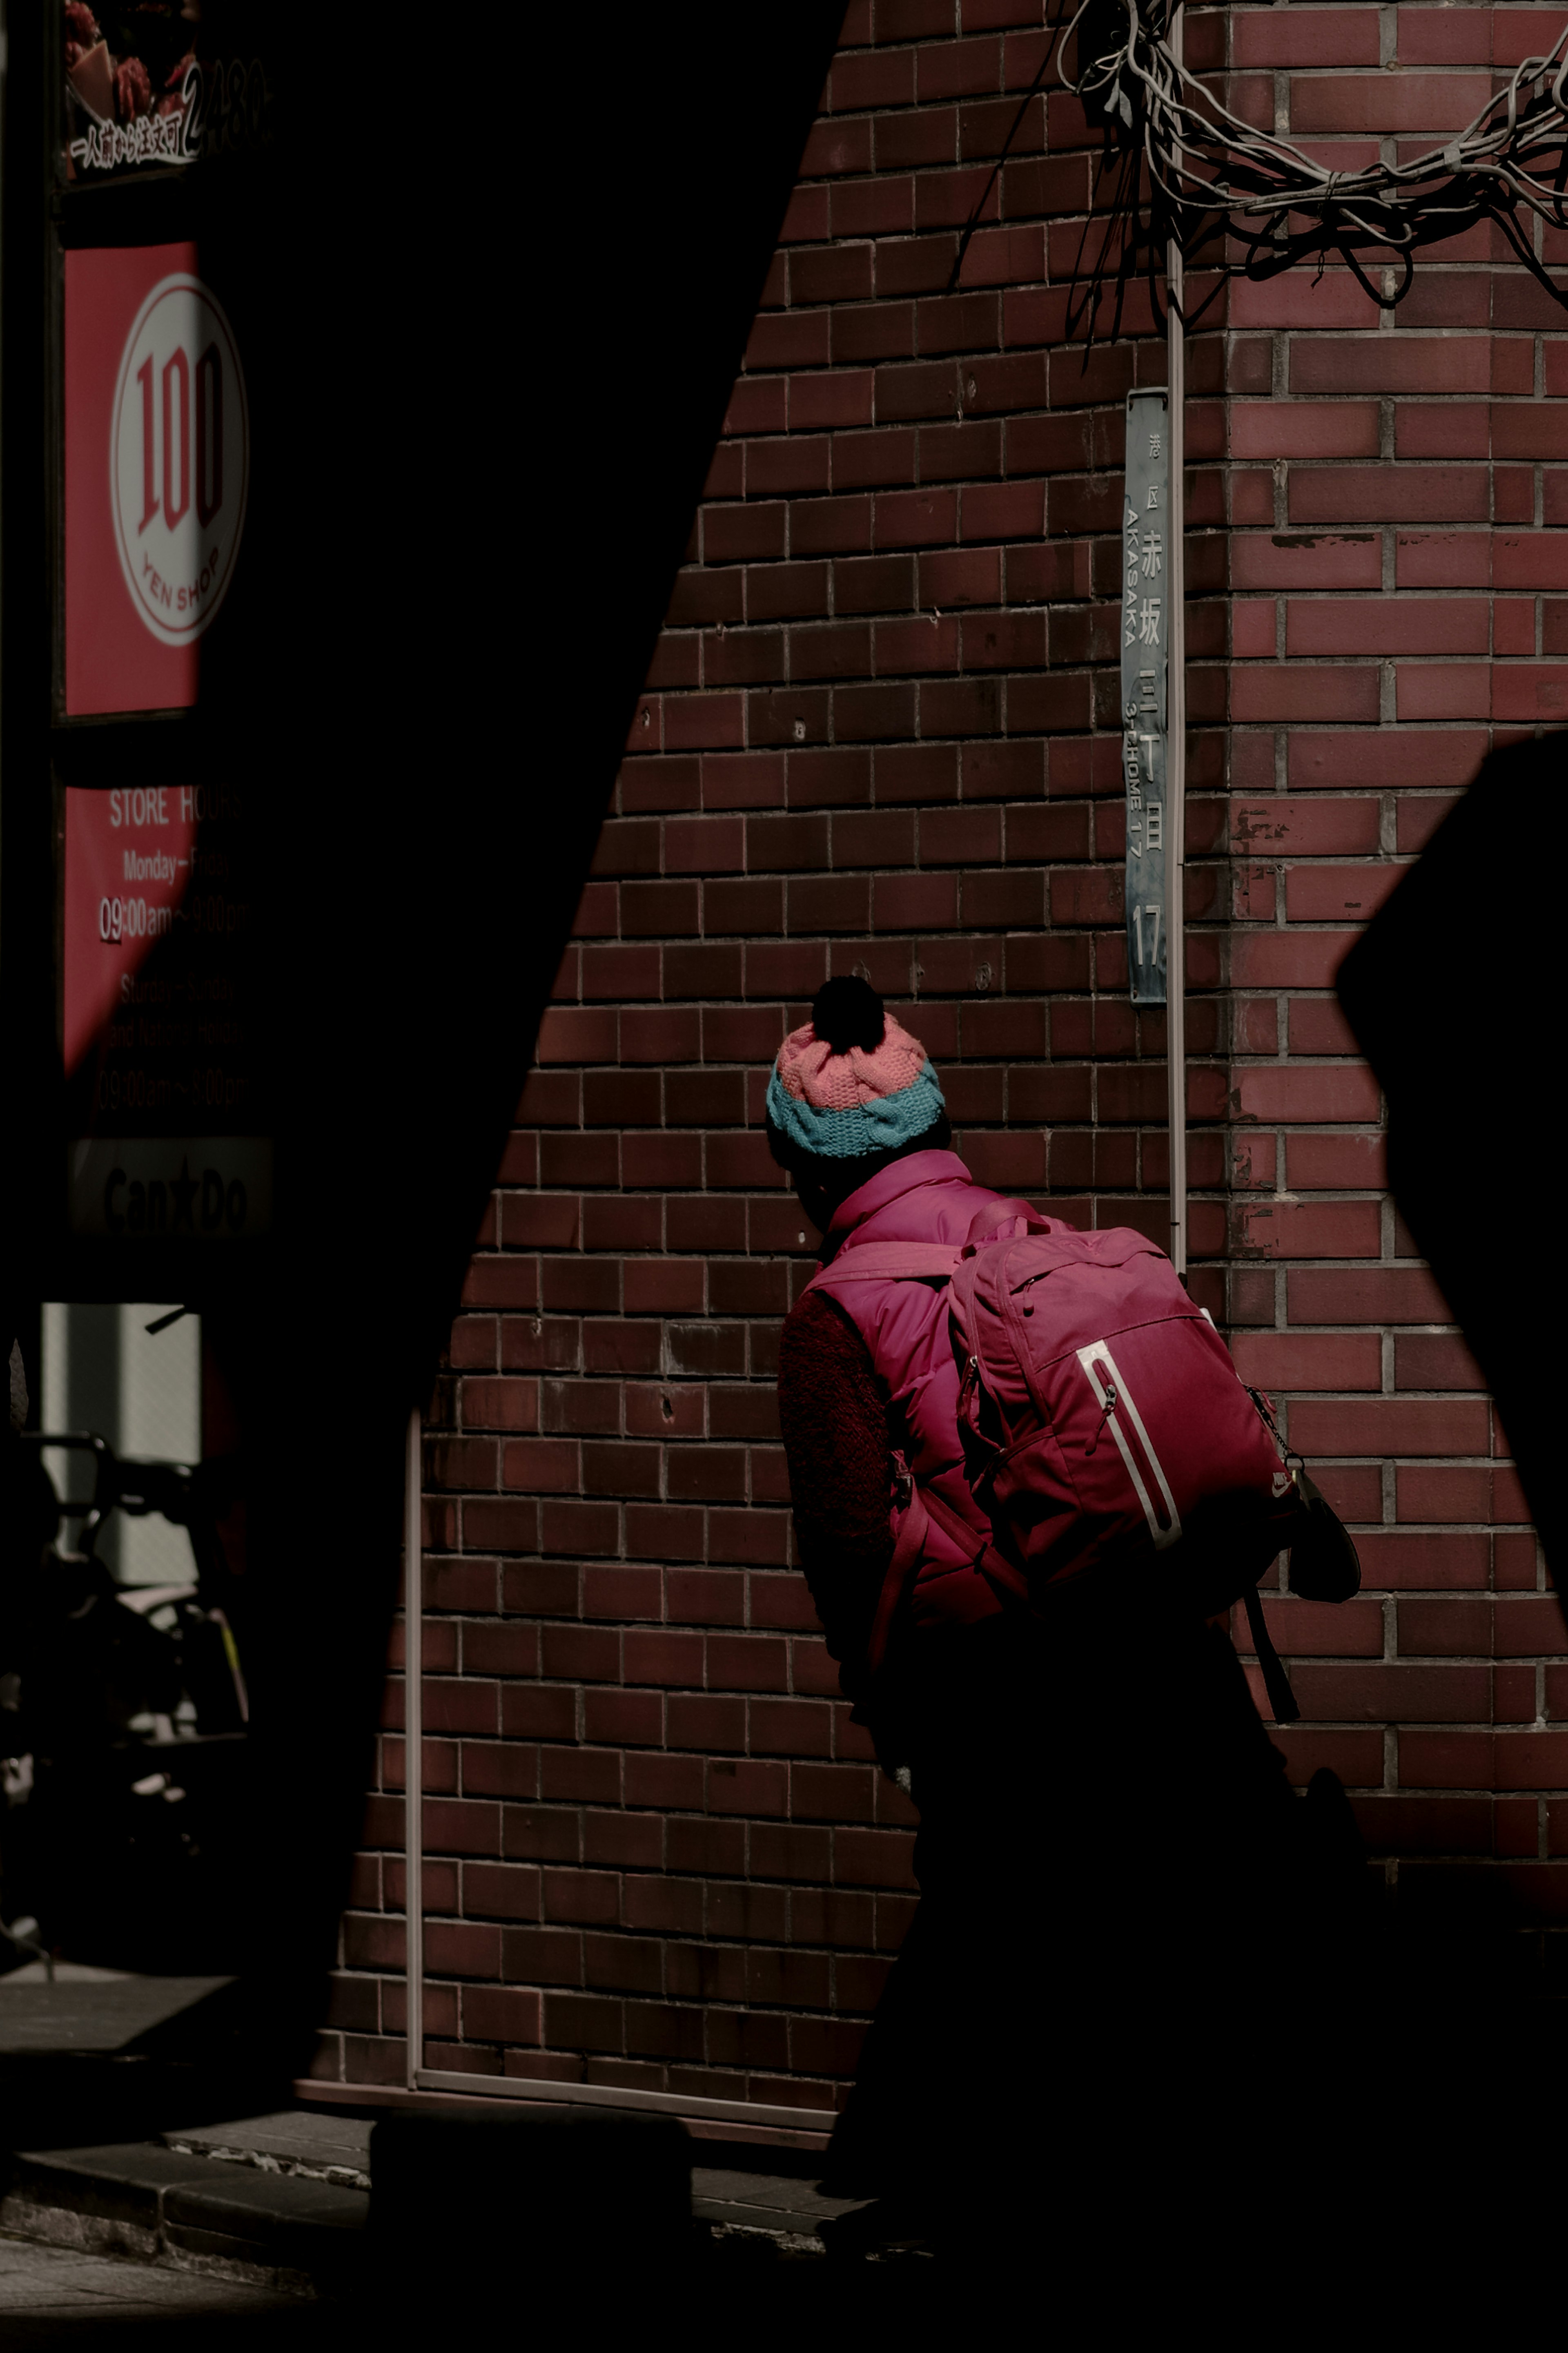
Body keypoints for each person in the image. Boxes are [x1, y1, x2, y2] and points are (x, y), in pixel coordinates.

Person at [771, 975, 1364, 2257]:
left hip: (1004, 1686)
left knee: (1018, 1935)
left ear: (804, 1164)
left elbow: (846, 1543)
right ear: (935, 1122)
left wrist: (896, 1706)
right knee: (1180, 1933)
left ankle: (996, 2218)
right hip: (1153, 1647)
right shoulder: (1039, 1235)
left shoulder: (836, 1313)